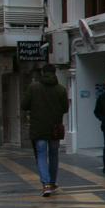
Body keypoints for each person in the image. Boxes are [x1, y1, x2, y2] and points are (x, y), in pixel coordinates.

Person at [21, 64, 69, 198]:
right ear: (55, 73)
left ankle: (46, 184)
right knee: (54, 155)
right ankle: (52, 182)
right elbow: (65, 108)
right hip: (55, 128)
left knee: (41, 155)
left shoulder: (33, 87)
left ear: (42, 73)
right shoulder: (61, 89)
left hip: (38, 128)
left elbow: (24, 105)